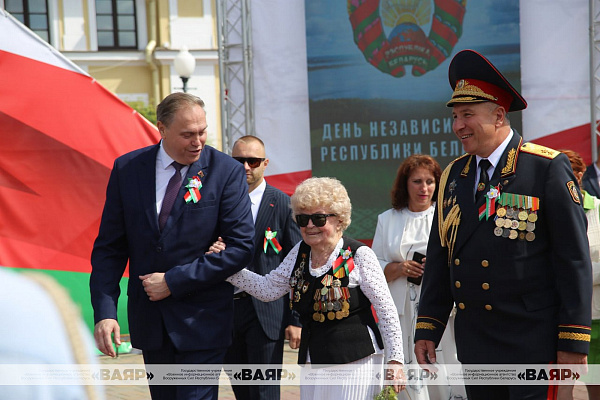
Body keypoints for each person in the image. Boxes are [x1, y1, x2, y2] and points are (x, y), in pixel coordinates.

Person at [414, 49, 592, 400]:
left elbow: (573, 260)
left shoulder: (545, 168)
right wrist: (428, 328)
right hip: (477, 345)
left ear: (498, 115)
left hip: (534, 343)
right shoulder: (452, 176)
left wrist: (573, 342)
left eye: (468, 115)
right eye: (455, 116)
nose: (458, 125)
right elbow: (440, 258)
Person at [90, 92, 254, 400]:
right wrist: (105, 311)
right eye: (187, 134)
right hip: (151, 322)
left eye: (202, 131)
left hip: (202, 320)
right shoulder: (128, 170)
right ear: (161, 128)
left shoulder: (225, 172)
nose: (198, 141)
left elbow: (241, 247)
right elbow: (110, 248)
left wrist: (173, 281)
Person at [224, 176, 405, 399]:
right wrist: (226, 267)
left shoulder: (359, 255)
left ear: (339, 219)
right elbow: (269, 288)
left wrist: (395, 361)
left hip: (356, 359)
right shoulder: (300, 252)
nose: (310, 225)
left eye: (319, 219)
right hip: (313, 358)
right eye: (302, 219)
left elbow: (386, 310)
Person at [372, 154, 466, 400]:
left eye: (430, 181)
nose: (424, 188)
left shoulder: (449, 216)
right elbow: (374, 264)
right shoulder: (387, 219)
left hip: (440, 306)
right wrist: (401, 268)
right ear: (405, 184)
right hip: (402, 308)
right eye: (417, 181)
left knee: (445, 361)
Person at [224, 135, 302, 400]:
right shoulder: (219, 201)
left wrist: (295, 319)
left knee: (265, 392)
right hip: (225, 311)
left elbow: (297, 263)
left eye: (253, 161)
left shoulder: (283, 203)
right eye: (238, 160)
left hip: (266, 314)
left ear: (265, 163)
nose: (246, 167)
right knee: (242, 391)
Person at [562, 149, 600, 400]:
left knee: (596, 387)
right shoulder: (549, 212)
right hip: (559, 319)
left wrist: (575, 273)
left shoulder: (597, 209)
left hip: (595, 319)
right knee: (561, 389)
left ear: (579, 174)